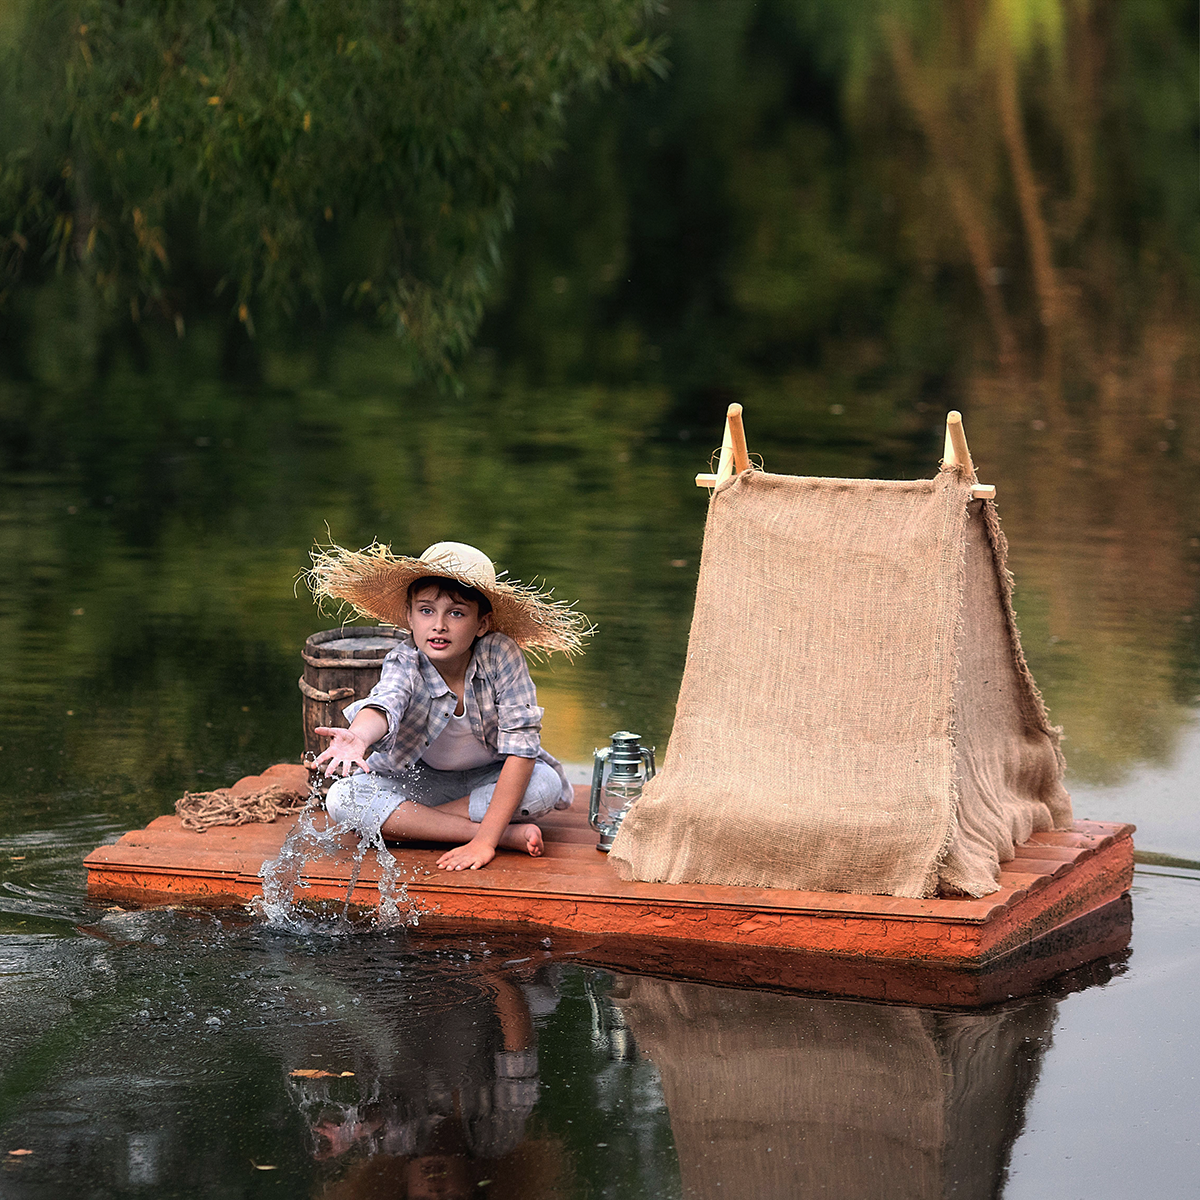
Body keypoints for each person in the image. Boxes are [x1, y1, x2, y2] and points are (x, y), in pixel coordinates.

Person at [306, 540, 590, 871]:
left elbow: (522, 749)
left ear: (482, 623)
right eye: (426, 611)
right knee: (342, 798)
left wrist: (483, 846)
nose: (439, 625)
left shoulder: (500, 654)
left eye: (456, 613)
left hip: (489, 779)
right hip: (420, 780)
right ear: (410, 617)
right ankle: (500, 834)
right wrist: (359, 736)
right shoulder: (405, 660)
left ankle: (419, 824)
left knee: (546, 786)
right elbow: (385, 702)